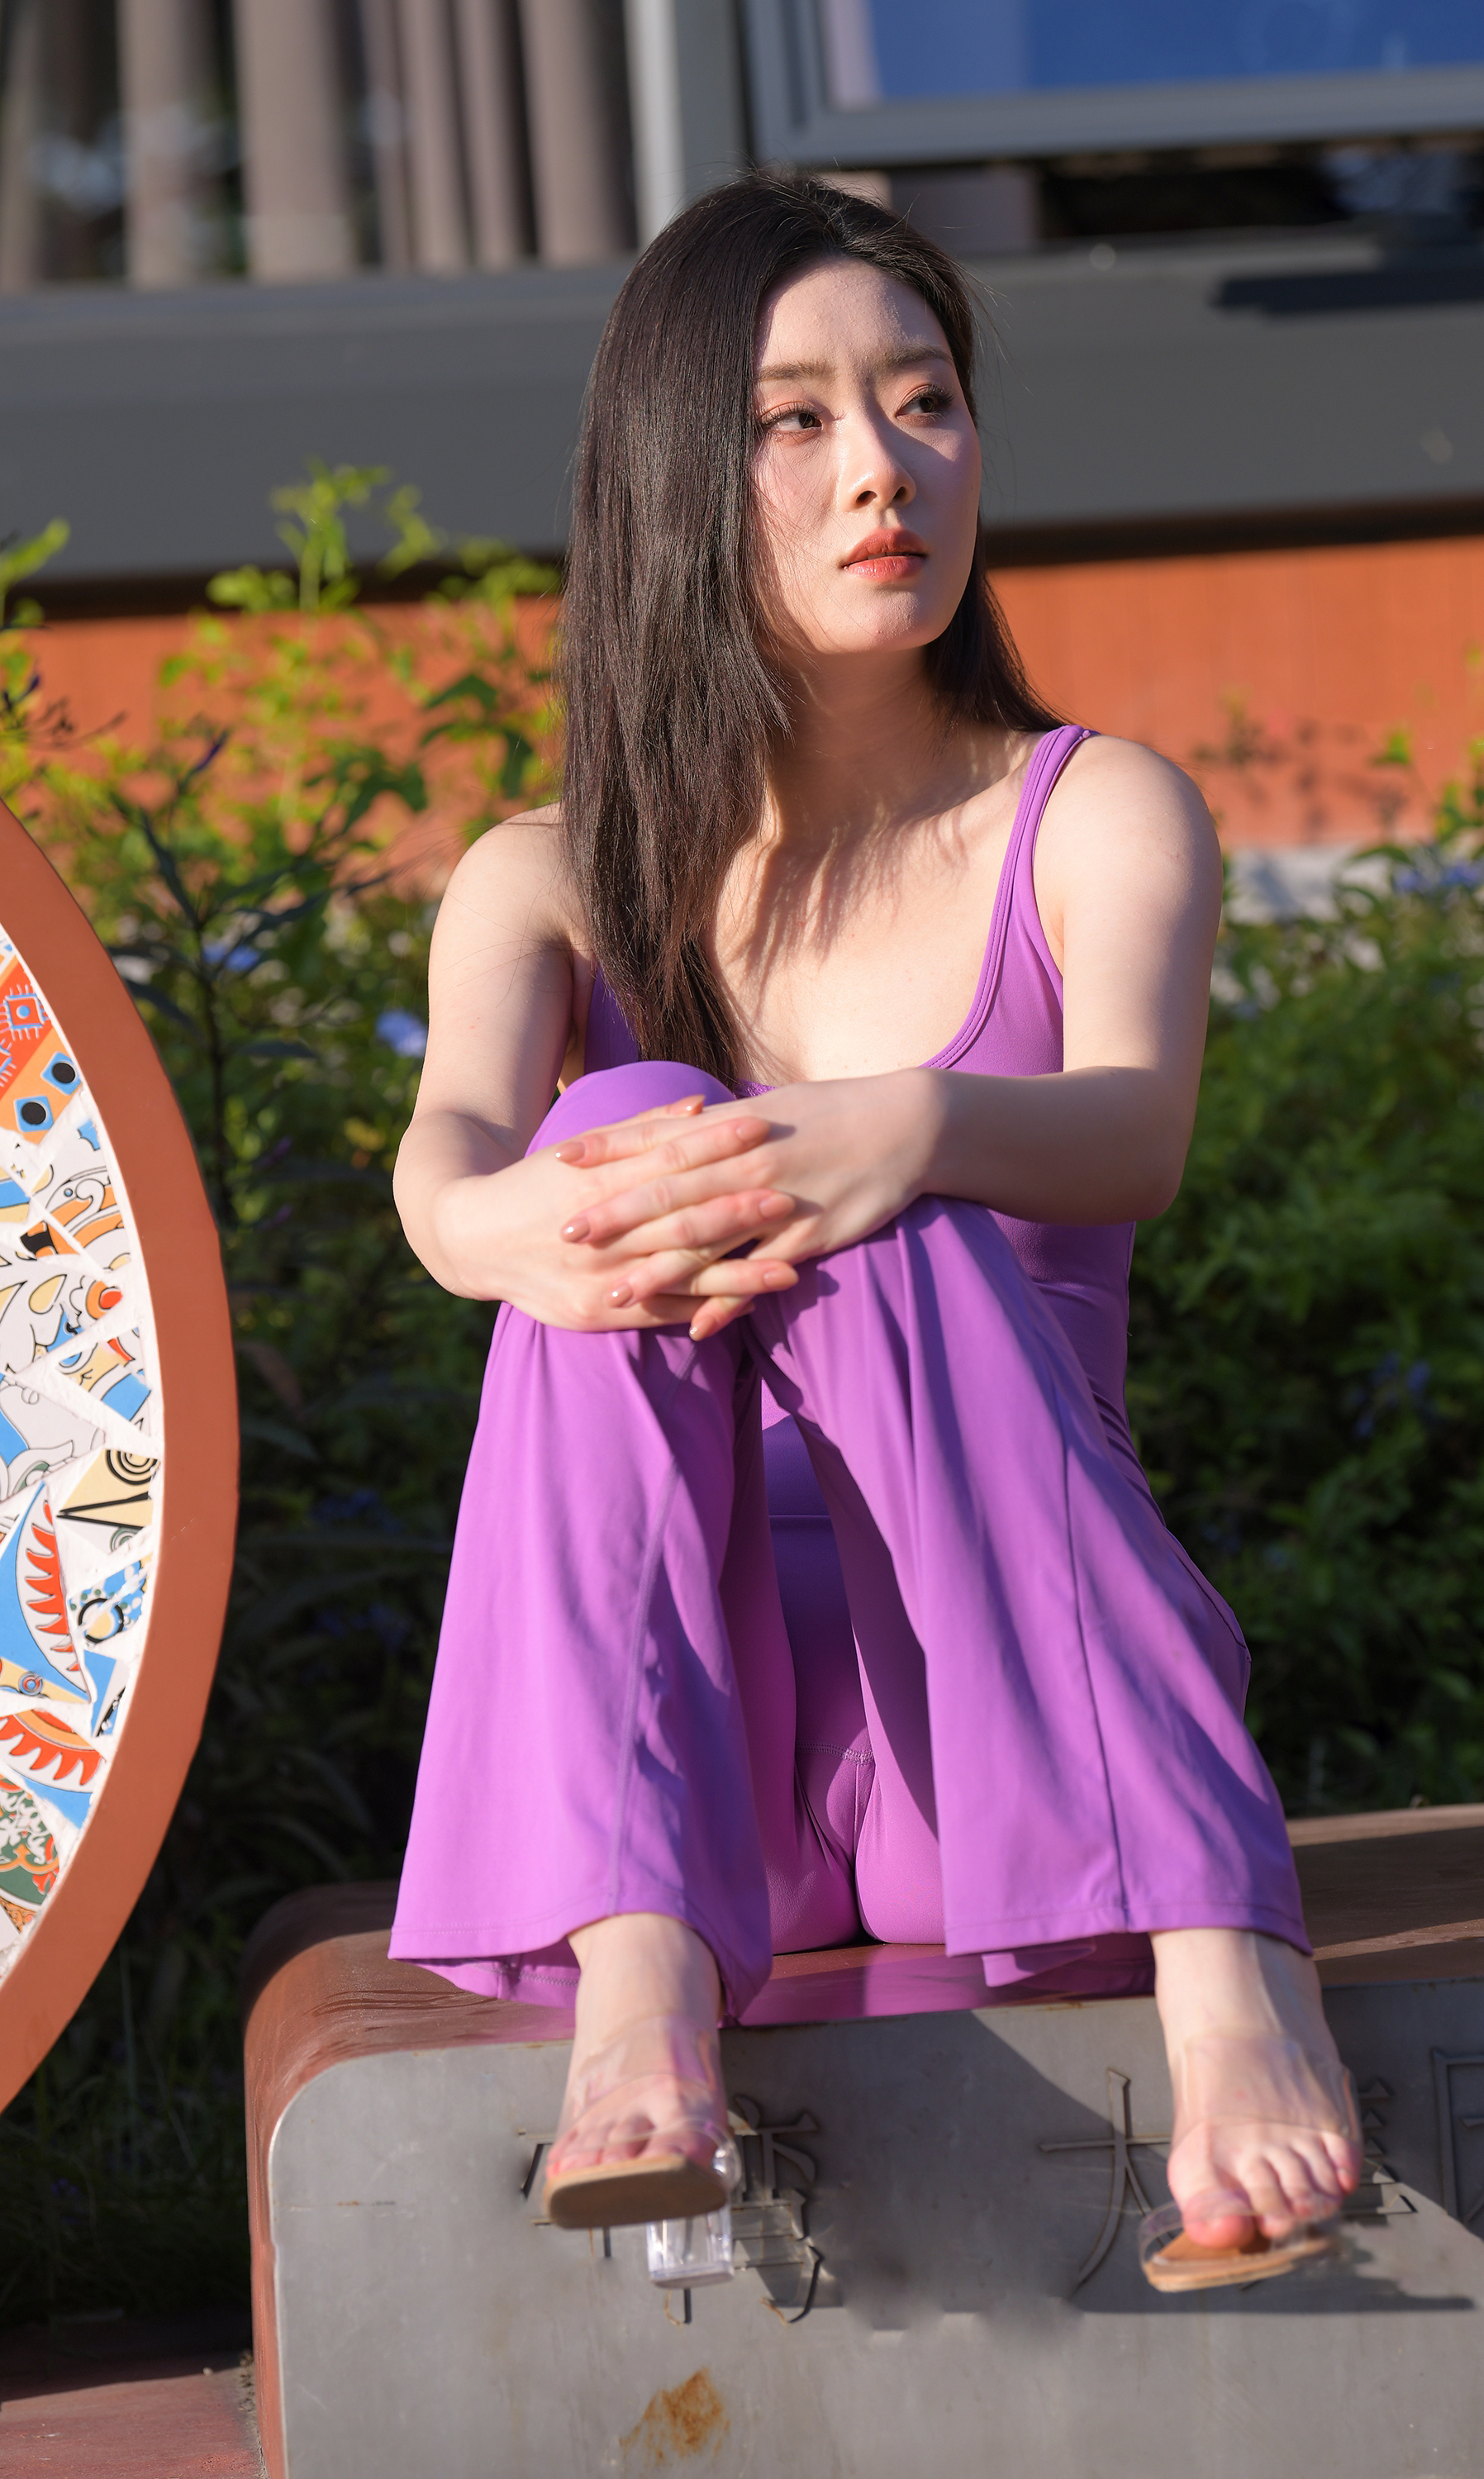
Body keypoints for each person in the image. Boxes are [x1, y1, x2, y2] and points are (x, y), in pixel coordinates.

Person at [388, 172, 1359, 2280]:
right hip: (687, 1765)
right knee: (628, 1120)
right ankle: (639, 1996)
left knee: (877, 1181)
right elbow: (446, 1143)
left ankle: (1227, 1980)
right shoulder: (547, 881)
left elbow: (1135, 1133)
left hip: (1009, 1735)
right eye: (796, 420)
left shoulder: (1088, 812)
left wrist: (907, 1123)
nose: (880, 470)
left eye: (921, 401)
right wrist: (489, 1223)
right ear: (674, 474)